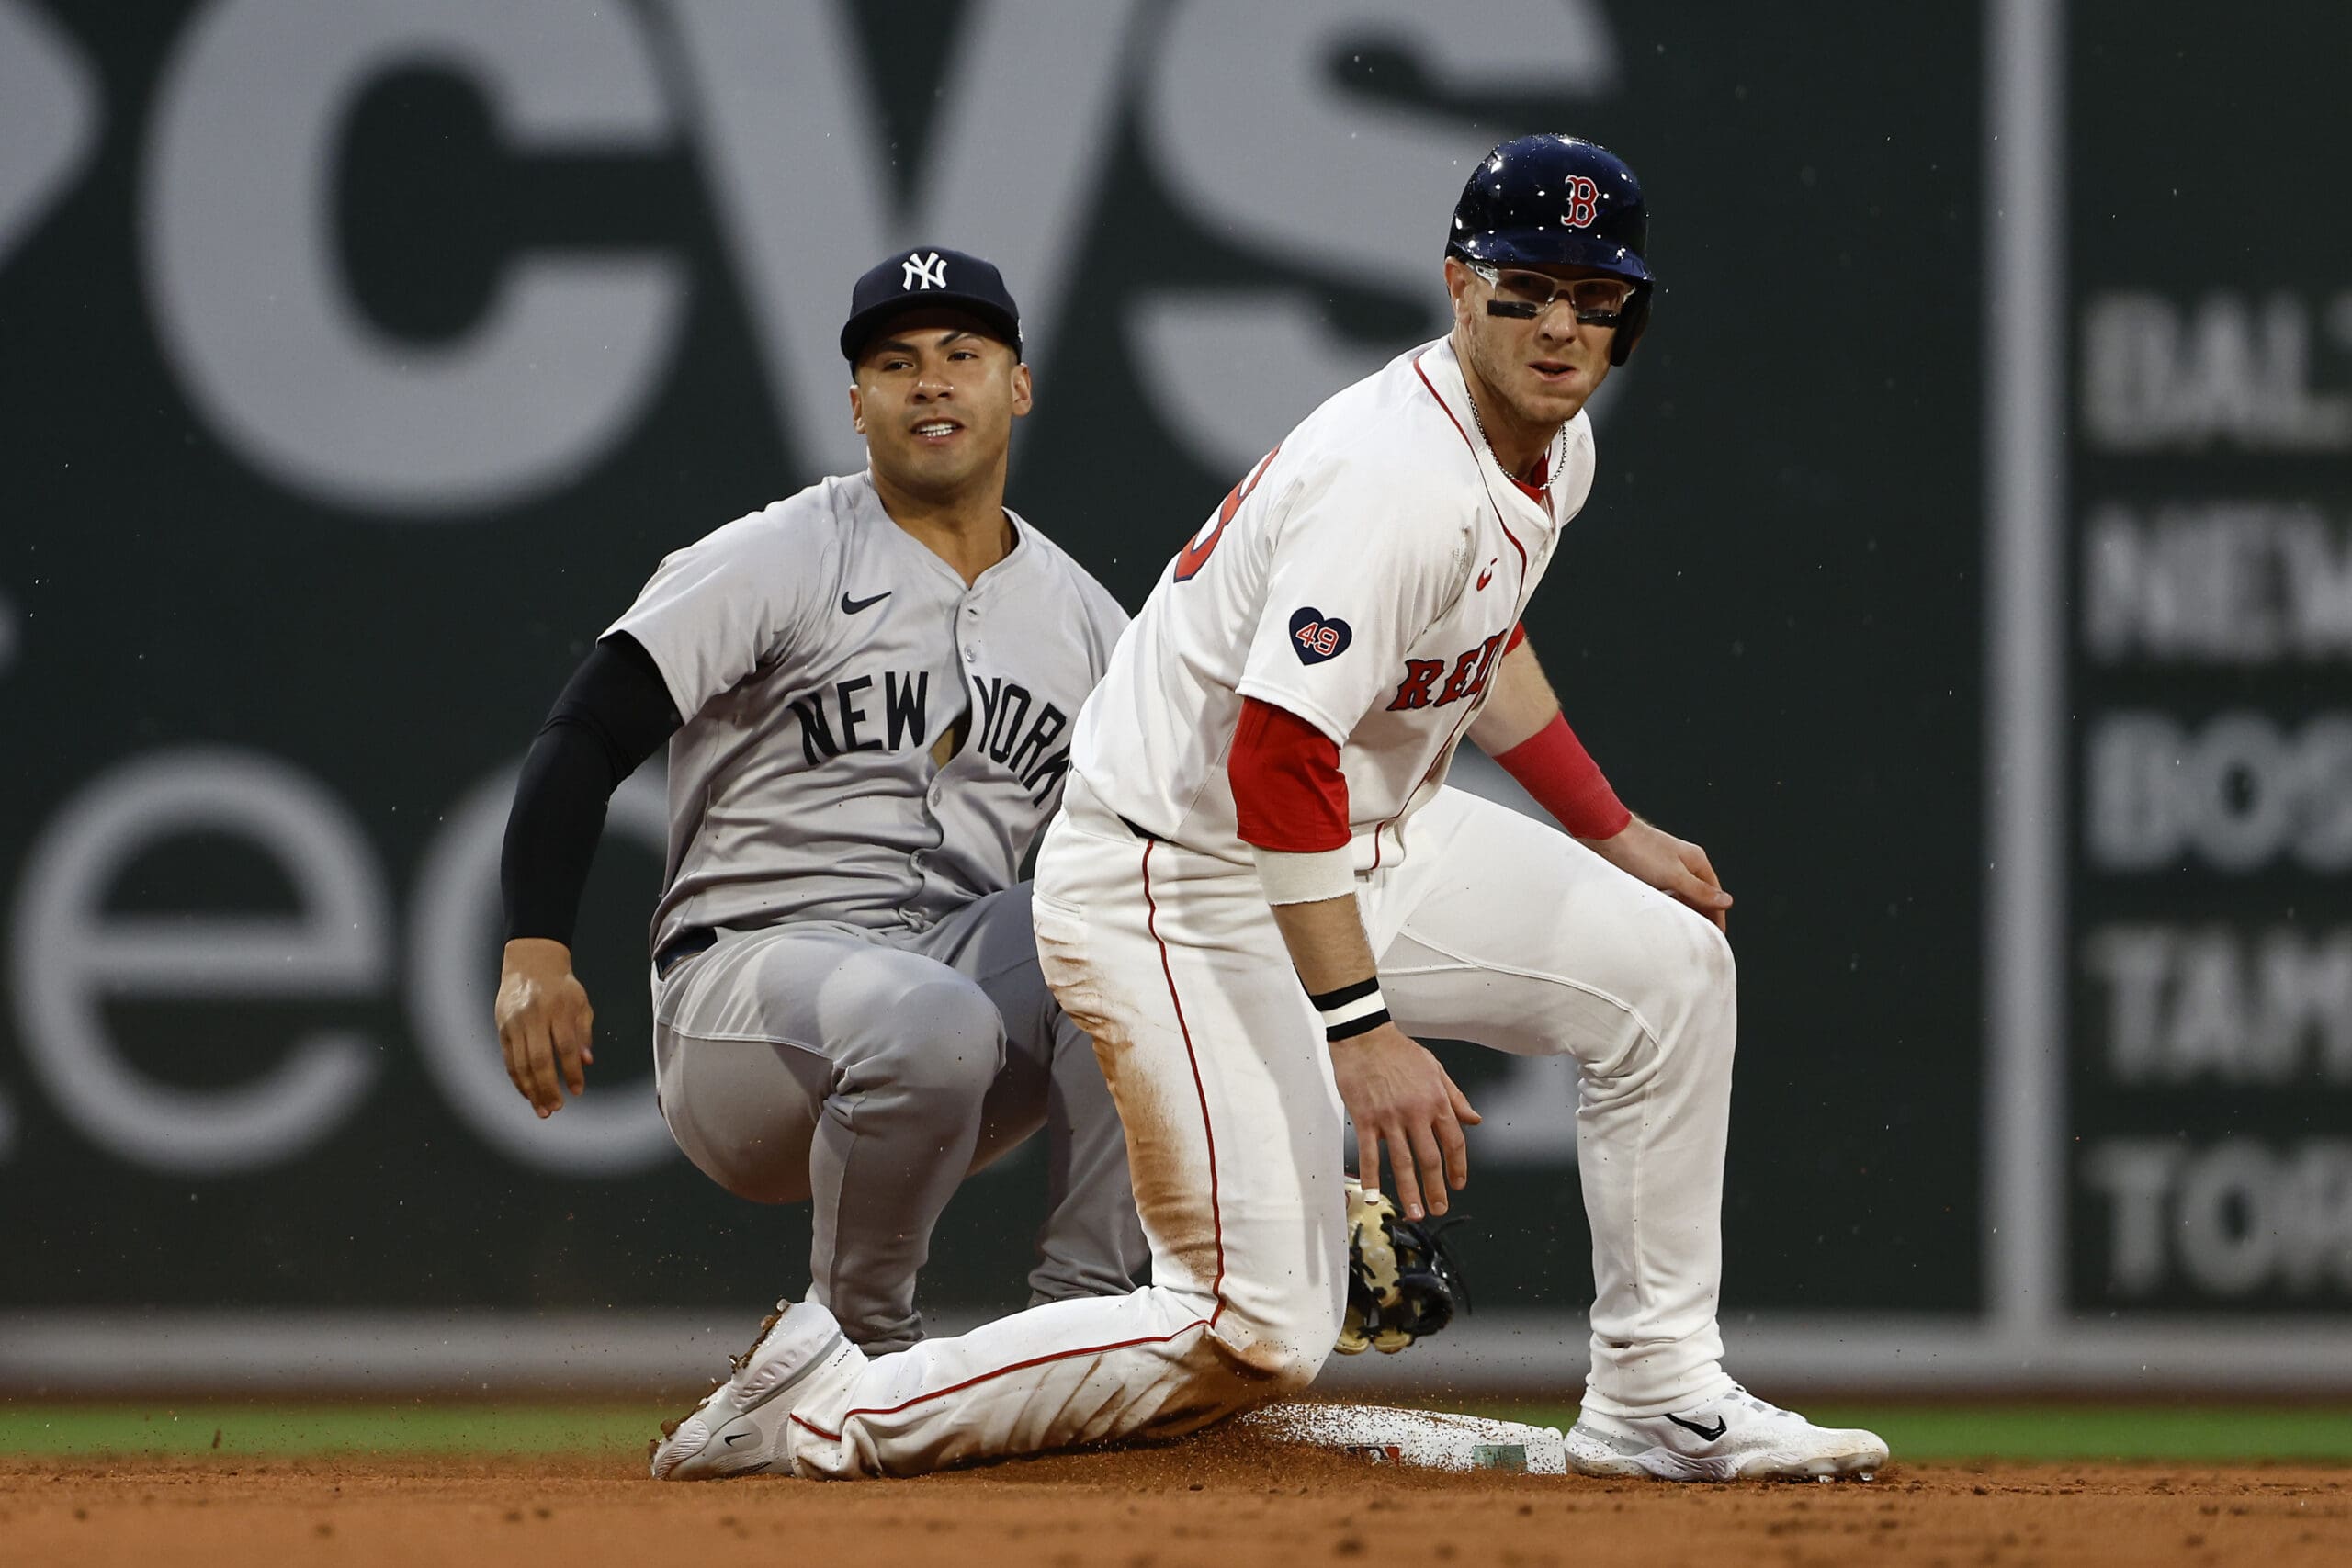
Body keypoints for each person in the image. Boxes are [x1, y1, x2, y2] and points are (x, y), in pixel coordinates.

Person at [647, 136, 1889, 1485]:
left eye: (1596, 297)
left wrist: (1610, 826)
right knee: (1255, 1328)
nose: (1560, 323)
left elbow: (1480, 641)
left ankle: (1657, 1390)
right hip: (1182, 879)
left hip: (1360, 838)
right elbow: (1271, 759)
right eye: (1526, 286)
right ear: (1459, 289)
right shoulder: (1395, 479)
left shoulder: (1551, 447)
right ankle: (839, 1402)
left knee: (1671, 972)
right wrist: (1354, 1031)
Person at [494, 246, 1147, 1363]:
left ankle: (1081, 1337)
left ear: (1018, 384)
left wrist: (1286, 1123)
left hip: (948, 998)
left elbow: (1184, 861)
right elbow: (587, 730)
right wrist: (535, 945)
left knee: (1150, 925)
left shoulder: (1094, 626)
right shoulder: (777, 555)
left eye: (963, 355)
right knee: (932, 1020)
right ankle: (852, 1360)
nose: (932, 382)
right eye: (898, 364)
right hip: (746, 1000)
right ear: (857, 406)